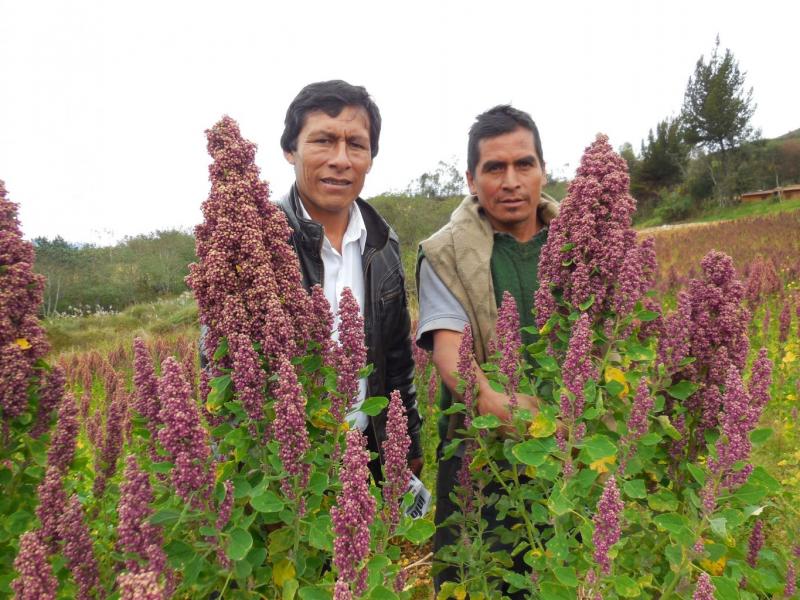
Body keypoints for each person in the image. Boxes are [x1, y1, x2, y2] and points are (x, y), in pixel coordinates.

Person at [415, 105, 559, 593]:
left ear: (543, 169)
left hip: (578, 448)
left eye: (524, 164)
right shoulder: (446, 251)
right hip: (483, 454)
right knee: (482, 576)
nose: (511, 180)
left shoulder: (580, 241)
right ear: (472, 179)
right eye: (494, 168)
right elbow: (449, 348)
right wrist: (494, 403)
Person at [278, 80, 423, 481]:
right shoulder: (259, 240)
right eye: (323, 141)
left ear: (370, 158)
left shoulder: (383, 242)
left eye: (356, 145)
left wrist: (406, 438)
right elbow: (221, 366)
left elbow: (396, 358)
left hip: (365, 452)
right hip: (285, 465)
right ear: (290, 150)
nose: (341, 159)